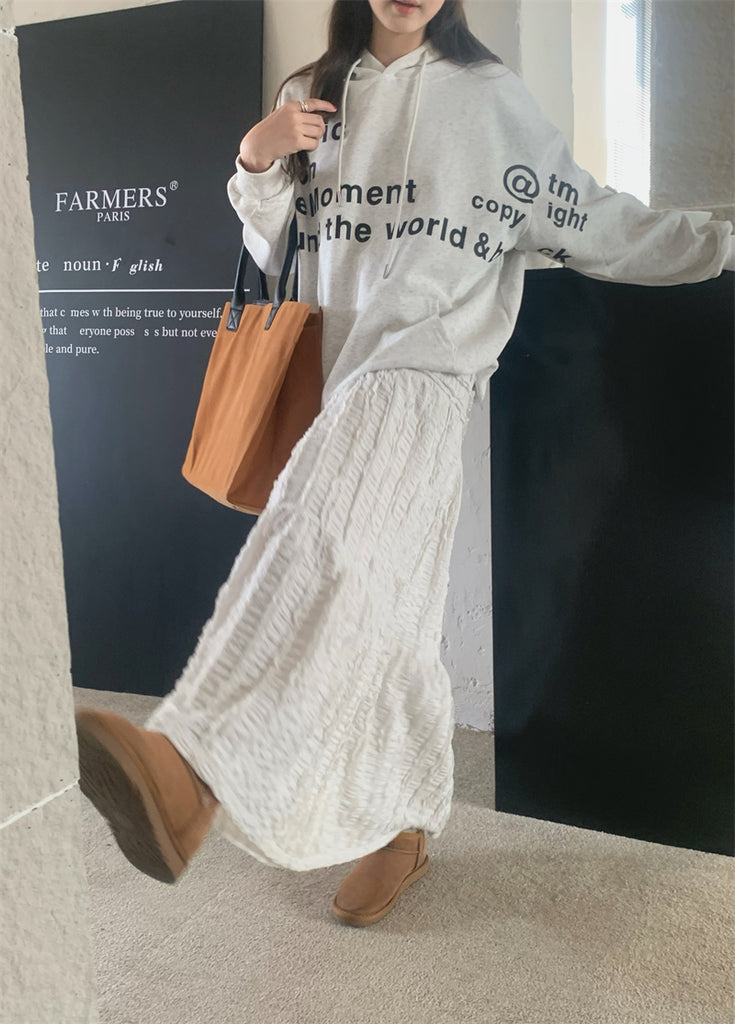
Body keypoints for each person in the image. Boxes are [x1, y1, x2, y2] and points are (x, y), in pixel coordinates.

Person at [75, 0, 735, 928]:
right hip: (329, 371)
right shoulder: (311, 92)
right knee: (399, 614)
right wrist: (258, 157)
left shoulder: (489, 97)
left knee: (318, 534)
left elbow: (589, 218)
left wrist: (720, 242)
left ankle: (192, 765)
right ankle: (404, 824)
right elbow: (275, 246)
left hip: (425, 366)